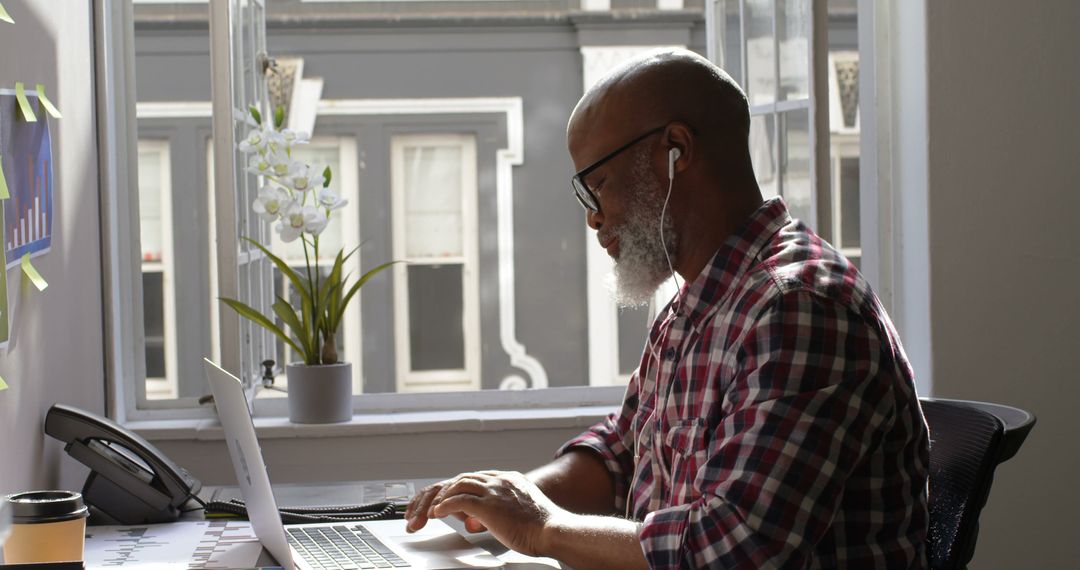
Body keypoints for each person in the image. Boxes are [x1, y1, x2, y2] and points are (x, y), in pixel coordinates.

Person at [404, 49, 929, 569]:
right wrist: (500, 499)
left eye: (598, 186)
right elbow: (622, 454)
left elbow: (735, 550)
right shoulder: (699, 304)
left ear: (675, 149)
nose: (593, 219)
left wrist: (541, 527)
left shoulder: (797, 308)